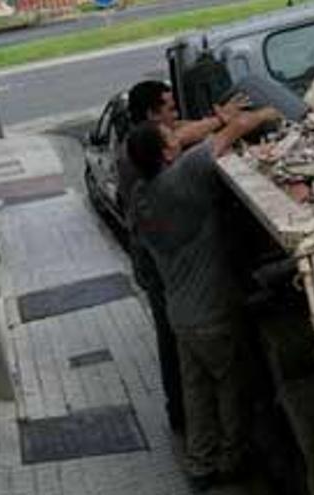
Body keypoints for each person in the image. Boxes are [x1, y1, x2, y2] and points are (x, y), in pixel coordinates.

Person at [126, 107, 280, 486]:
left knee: (196, 393)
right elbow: (239, 130)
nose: (177, 136)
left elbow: (192, 139)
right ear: (165, 153)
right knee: (229, 388)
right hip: (213, 313)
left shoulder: (142, 195)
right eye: (170, 136)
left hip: (180, 314)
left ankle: (199, 465)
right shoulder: (187, 175)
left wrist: (212, 121)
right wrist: (268, 110)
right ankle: (232, 460)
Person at [120, 80, 246, 433]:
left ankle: (197, 449)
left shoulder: (142, 167)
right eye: (170, 110)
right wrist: (238, 120)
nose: (177, 118)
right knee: (225, 384)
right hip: (197, 303)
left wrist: (210, 122)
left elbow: (184, 135)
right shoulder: (176, 179)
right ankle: (228, 452)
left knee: (194, 383)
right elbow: (203, 141)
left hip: (178, 304)